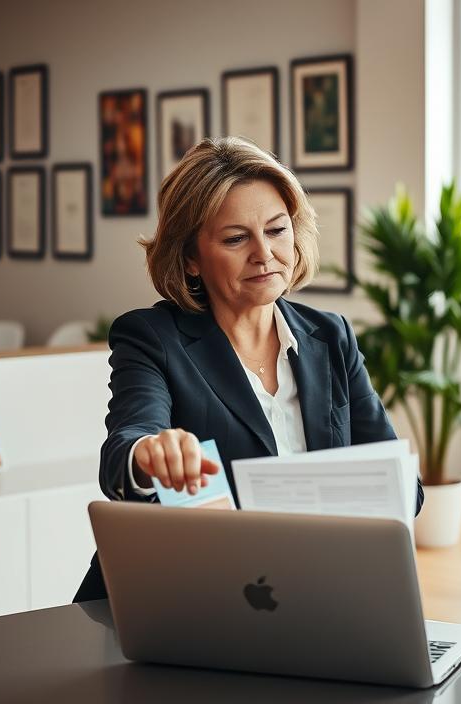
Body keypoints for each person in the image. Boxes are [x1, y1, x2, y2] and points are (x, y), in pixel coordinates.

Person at [75, 137, 423, 602]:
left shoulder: (331, 336)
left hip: (310, 595)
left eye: (277, 230)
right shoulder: (152, 337)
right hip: (182, 600)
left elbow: (403, 487)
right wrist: (150, 452)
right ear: (191, 258)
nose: (264, 253)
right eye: (236, 238)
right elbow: (126, 443)